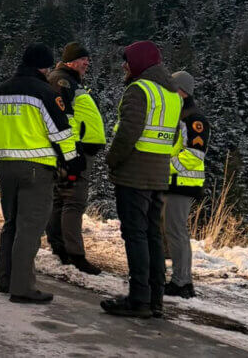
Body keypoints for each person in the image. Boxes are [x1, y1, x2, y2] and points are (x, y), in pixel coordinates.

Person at [0, 43, 77, 304]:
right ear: (44, 67)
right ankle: (22, 287)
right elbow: (61, 132)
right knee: (30, 228)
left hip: (6, 168)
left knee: (11, 223)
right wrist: (71, 161)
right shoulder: (46, 94)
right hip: (37, 169)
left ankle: (5, 278)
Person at [101, 40, 182, 319]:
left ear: (140, 63)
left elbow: (128, 132)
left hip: (134, 173)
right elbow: (171, 136)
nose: (124, 66)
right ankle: (155, 300)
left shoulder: (139, 90)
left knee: (135, 235)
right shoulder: (172, 94)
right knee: (152, 237)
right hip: (159, 174)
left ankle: (138, 299)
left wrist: (112, 159)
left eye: (127, 61)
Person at [46, 42, 106, 275]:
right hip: (74, 152)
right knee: (73, 201)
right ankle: (75, 255)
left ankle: (60, 247)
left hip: (74, 151)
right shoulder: (63, 81)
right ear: (70, 60)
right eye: (83, 59)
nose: (87, 63)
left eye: (88, 60)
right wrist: (72, 152)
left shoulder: (69, 81)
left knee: (62, 198)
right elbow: (63, 119)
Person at [165, 70, 210, 299]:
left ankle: (182, 282)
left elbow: (194, 155)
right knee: (172, 231)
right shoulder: (182, 114)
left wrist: (165, 166)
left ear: (181, 91)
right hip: (173, 181)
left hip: (181, 183)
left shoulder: (194, 118)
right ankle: (178, 279)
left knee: (176, 232)